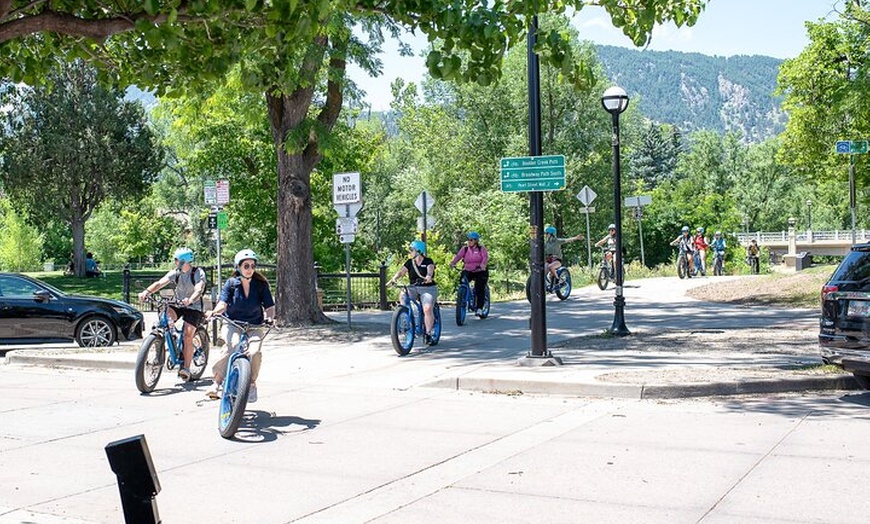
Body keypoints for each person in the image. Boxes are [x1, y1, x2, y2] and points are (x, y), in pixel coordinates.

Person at [204, 249, 275, 402]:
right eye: (246, 266)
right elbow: (223, 303)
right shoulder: (231, 284)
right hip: (232, 323)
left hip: (255, 325)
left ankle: (251, 383)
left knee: (254, 352)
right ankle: (216, 383)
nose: (250, 269)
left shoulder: (261, 285)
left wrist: (269, 318)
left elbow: (270, 306)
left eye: (252, 266)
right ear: (238, 267)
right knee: (233, 345)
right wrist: (215, 312)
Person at [137, 247, 206, 381]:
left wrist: (190, 299)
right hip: (178, 303)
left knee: (187, 334)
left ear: (184, 261)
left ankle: (185, 367)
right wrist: (147, 292)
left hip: (193, 306)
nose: (175, 262)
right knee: (164, 319)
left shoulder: (198, 272)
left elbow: (199, 289)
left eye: (177, 260)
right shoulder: (176, 273)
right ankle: (166, 342)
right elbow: (160, 283)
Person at [387, 240, 438, 344]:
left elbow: (430, 270)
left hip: (427, 288)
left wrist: (428, 276)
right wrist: (394, 279)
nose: (410, 252)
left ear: (419, 251)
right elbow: (401, 271)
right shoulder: (409, 262)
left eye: (411, 250)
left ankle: (428, 333)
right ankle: (406, 317)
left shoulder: (428, 261)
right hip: (413, 287)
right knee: (402, 294)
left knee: (427, 309)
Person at [449, 231, 489, 315]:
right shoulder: (465, 249)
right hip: (468, 270)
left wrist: (482, 265)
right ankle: (462, 299)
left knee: (479, 287)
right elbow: (458, 256)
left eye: (471, 240)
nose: (469, 241)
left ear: (476, 241)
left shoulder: (481, 249)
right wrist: (453, 263)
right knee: (462, 281)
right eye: (468, 239)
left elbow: (485, 257)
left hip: (480, 271)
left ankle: (479, 308)